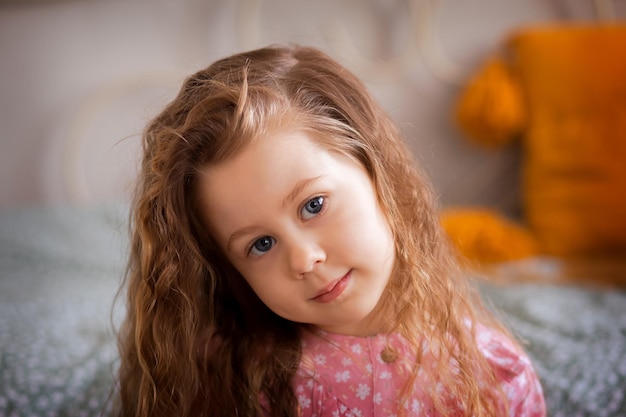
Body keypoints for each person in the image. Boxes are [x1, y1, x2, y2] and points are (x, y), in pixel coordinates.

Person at [115, 45, 546, 417]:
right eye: (261, 244)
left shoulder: (494, 374)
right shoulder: (232, 382)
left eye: (313, 205)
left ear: (378, 174)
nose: (304, 260)